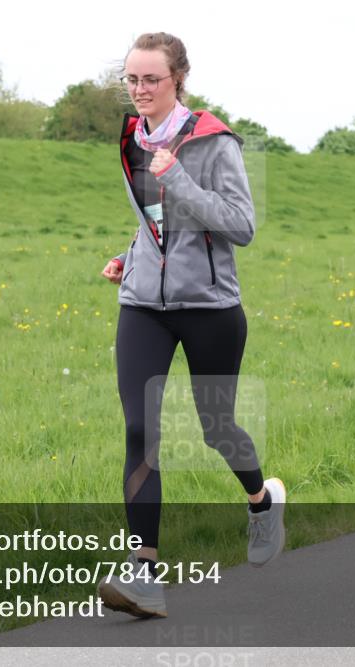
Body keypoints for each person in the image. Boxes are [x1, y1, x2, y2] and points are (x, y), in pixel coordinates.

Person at [97, 32, 286, 620]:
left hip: (209, 305)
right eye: (131, 79)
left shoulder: (213, 140)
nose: (139, 89)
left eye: (150, 78)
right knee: (139, 431)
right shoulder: (131, 137)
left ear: (177, 78)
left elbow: (239, 225)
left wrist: (179, 177)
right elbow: (155, 217)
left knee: (216, 427)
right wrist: (133, 256)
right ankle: (143, 573)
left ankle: (262, 502)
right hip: (144, 306)